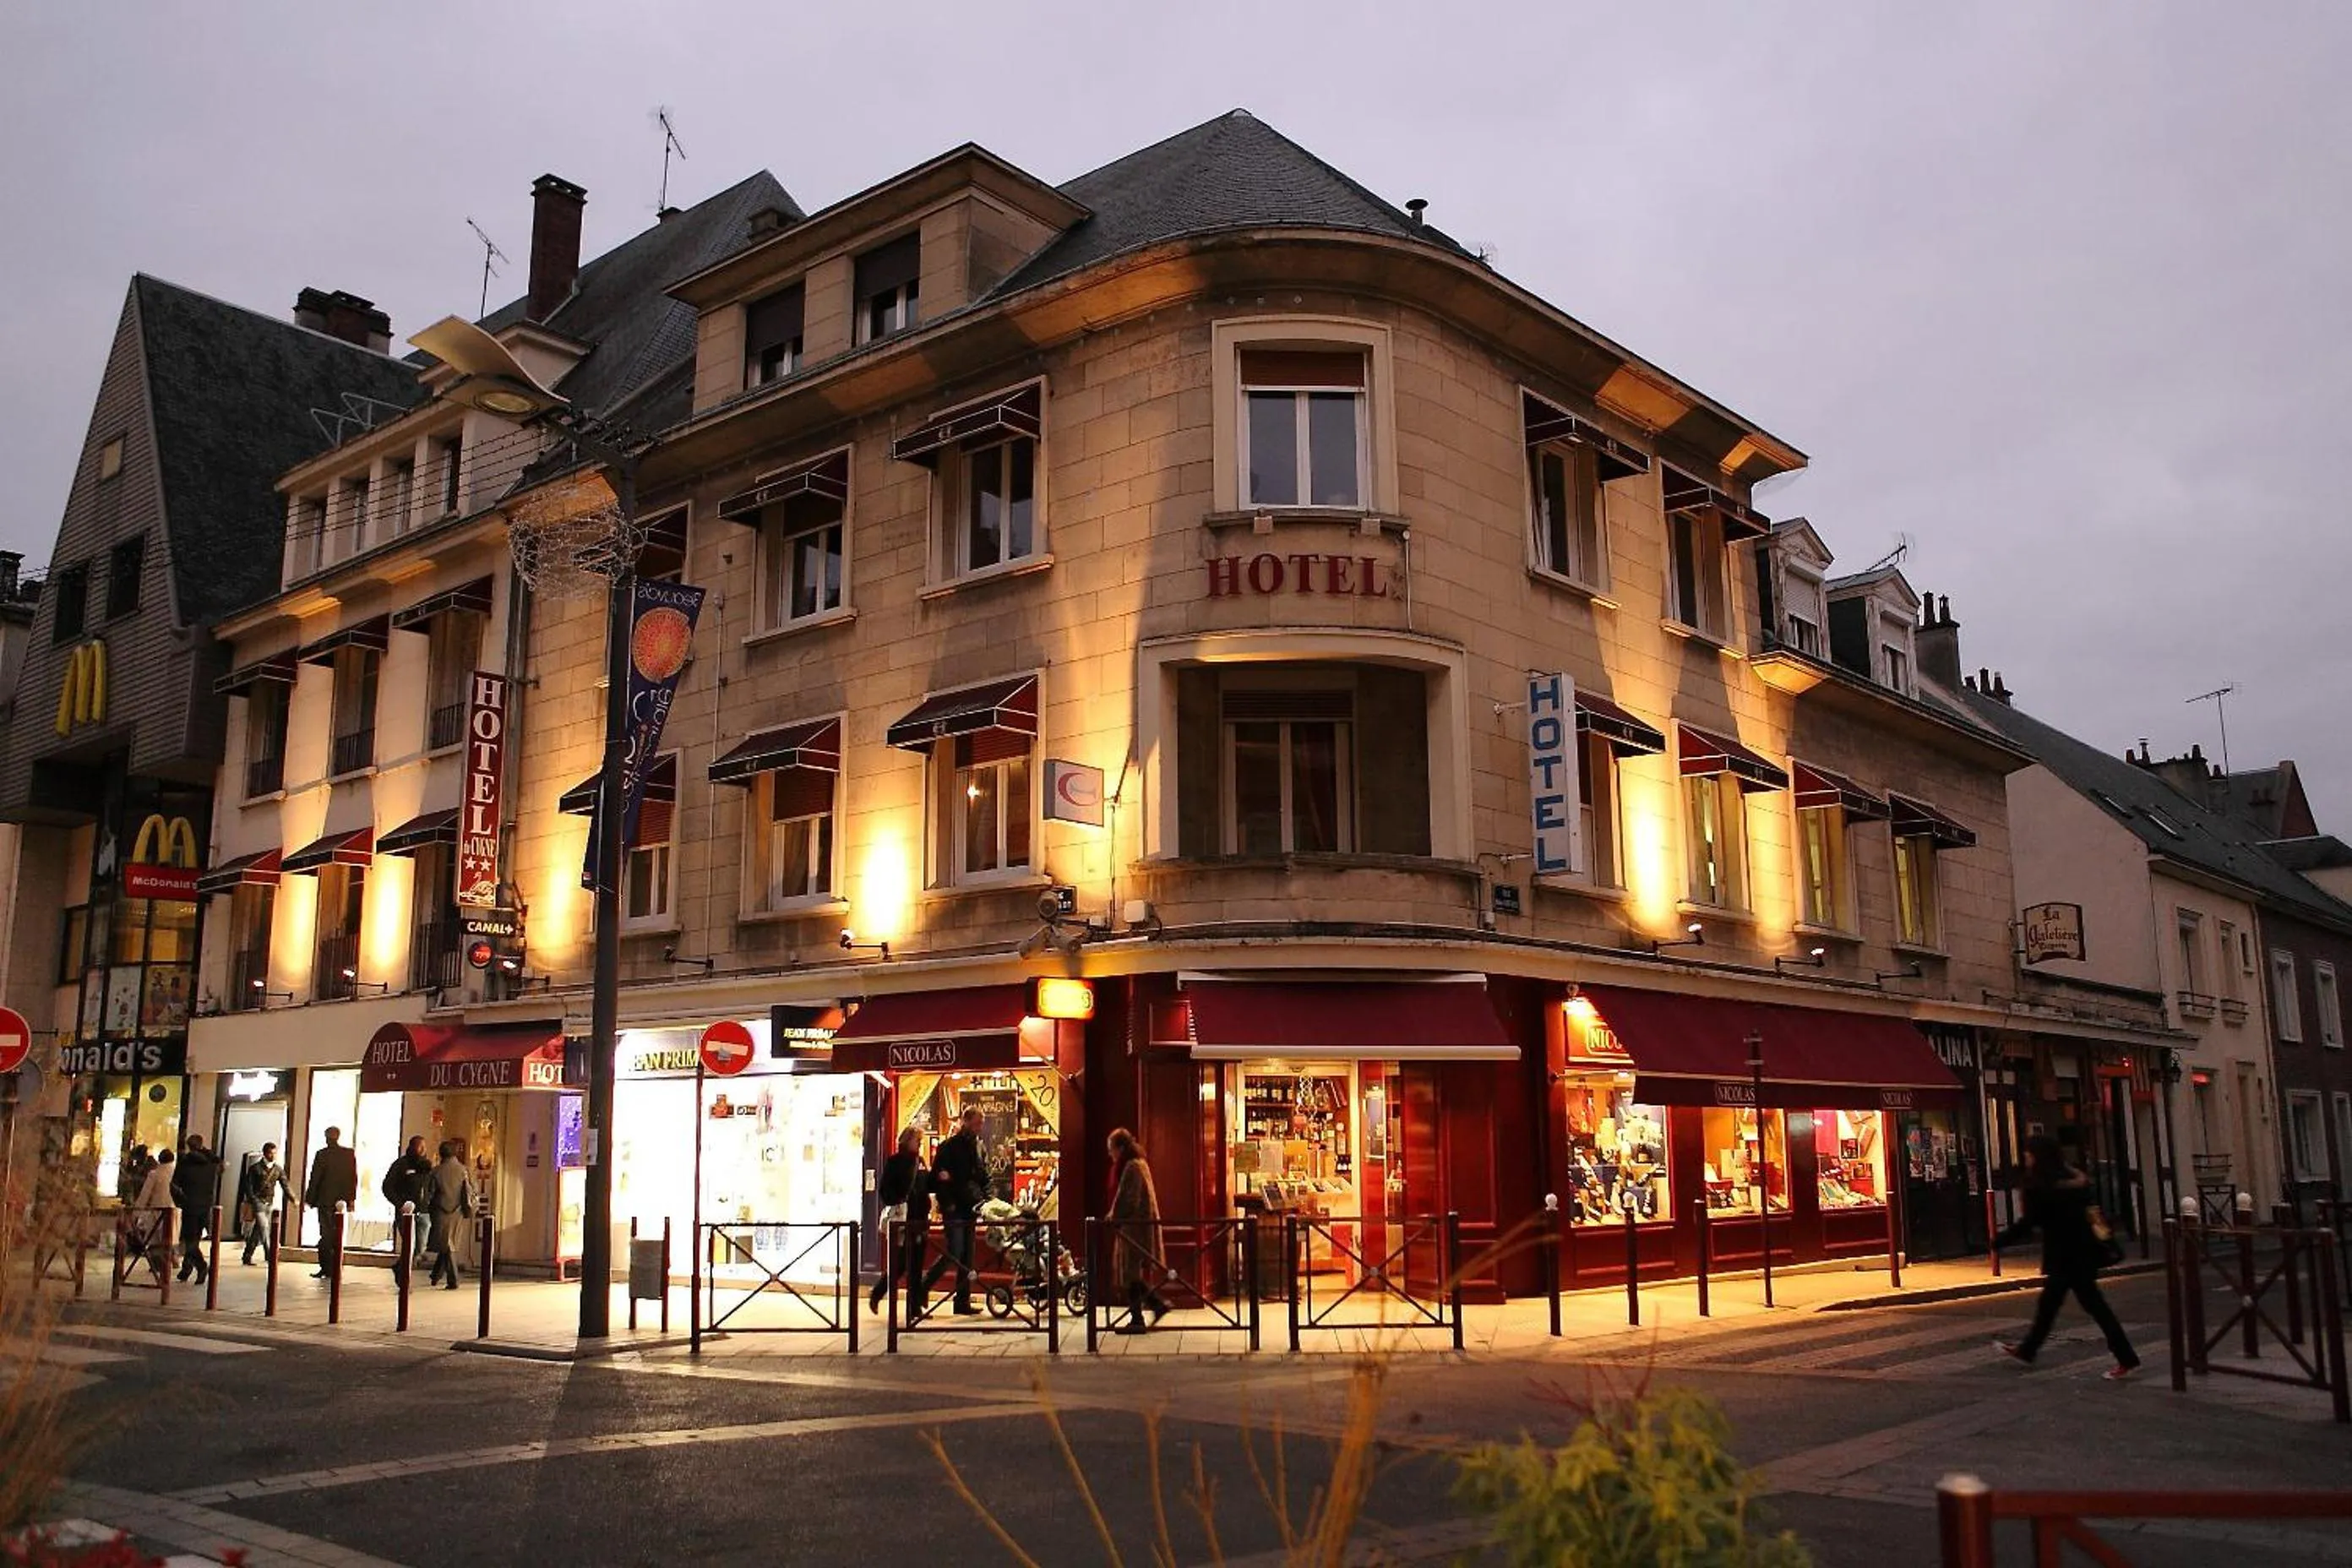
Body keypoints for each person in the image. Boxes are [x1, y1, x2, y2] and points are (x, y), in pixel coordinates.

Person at [1993, 1133, 2140, 1380]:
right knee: (2059, 1306)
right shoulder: (2075, 1180)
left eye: (2029, 1153)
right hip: (2082, 1253)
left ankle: (2126, 1358)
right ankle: (2028, 1350)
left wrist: (1999, 1241)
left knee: (2077, 1308)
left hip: (2064, 1256)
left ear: (2038, 1156)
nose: (2026, 1158)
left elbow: (2029, 1222)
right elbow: (2093, 1214)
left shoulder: (2041, 1187)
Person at [922, 1108, 987, 1316]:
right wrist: (947, 1202)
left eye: (980, 1124)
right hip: (955, 1209)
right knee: (954, 1253)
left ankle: (962, 1301)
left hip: (970, 1207)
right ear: (965, 1122)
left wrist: (985, 1197)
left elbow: (980, 1175)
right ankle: (924, 1286)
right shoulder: (949, 1147)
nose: (979, 1128)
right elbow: (936, 1180)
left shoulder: (977, 1147)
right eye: (976, 1124)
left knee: (967, 1256)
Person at [1107, 1128, 1168, 1334]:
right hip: (1139, 1226)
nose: (1111, 1155)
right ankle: (1153, 1307)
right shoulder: (1139, 1163)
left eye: (1112, 1150)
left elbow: (1127, 1198)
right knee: (1131, 1273)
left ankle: (1141, 1316)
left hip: (1134, 1228)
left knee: (1129, 1273)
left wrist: (1114, 1217)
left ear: (1121, 1148)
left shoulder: (1131, 1166)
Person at [871, 1127, 933, 1316]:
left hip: (919, 1218)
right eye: (917, 1141)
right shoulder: (895, 1161)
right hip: (903, 1218)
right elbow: (885, 1190)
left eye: (921, 1142)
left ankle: (914, 1308)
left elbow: (926, 1186)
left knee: (916, 1264)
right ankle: (878, 1292)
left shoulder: (920, 1162)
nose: (920, 1144)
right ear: (907, 1141)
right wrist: (898, 1201)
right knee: (900, 1265)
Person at [304, 1126, 359, 1280]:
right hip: (341, 1201)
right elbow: (353, 1178)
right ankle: (336, 1266)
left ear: (326, 1137)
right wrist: (351, 1200)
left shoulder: (322, 1155)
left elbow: (315, 1178)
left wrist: (309, 1199)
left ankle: (327, 1267)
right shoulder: (348, 1154)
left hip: (325, 1200)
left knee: (326, 1234)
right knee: (337, 1234)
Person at [171, 1135, 221, 1284]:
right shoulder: (211, 1163)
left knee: (189, 1240)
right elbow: (220, 1163)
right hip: (205, 1205)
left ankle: (201, 1266)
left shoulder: (185, 1163)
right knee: (194, 1239)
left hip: (190, 1204)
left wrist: (179, 1201)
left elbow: (174, 1185)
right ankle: (186, 1268)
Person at [425, 1141, 473, 1289]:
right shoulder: (464, 1170)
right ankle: (436, 1275)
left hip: (440, 1211)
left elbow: (429, 1194)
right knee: (448, 1242)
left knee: (447, 1244)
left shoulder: (436, 1172)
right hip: (458, 1211)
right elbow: (472, 1190)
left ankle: (453, 1279)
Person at [383, 1136, 434, 1261]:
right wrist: (400, 1204)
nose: (423, 1149)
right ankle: (405, 1271)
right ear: (412, 1147)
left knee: (421, 1247)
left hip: (424, 1211)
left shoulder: (427, 1166)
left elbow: (431, 1186)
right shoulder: (401, 1165)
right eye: (420, 1146)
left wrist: (430, 1201)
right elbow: (387, 1187)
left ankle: (404, 1267)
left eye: (424, 1147)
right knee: (409, 1245)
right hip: (406, 1212)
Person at [241, 1142, 292, 1266]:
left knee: (258, 1230)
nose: (273, 1156)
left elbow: (285, 1185)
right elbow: (248, 1186)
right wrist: (253, 1199)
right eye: (270, 1153)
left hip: (269, 1203)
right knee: (264, 1228)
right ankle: (270, 1255)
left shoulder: (277, 1169)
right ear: (264, 1153)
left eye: (275, 1153)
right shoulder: (255, 1168)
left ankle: (247, 1256)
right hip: (257, 1202)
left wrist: (293, 1198)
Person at [130, 1149, 176, 1281]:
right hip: (173, 1209)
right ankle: (172, 1259)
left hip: (157, 1209)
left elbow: (145, 1194)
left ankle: (158, 1263)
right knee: (170, 1236)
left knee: (155, 1237)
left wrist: (136, 1212)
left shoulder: (155, 1174)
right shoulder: (175, 1172)